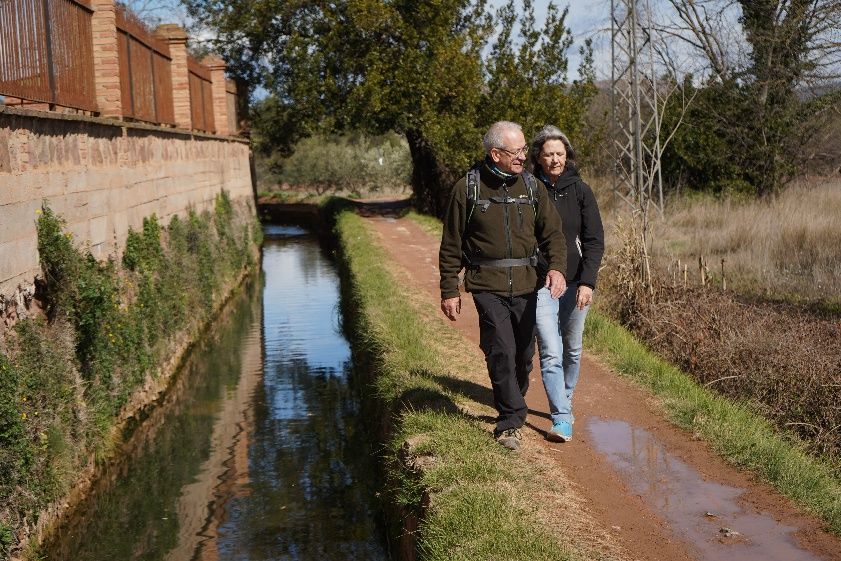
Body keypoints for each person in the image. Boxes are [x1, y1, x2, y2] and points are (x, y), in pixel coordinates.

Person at [439, 121, 568, 451]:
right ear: (495, 154)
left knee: (524, 355)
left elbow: (552, 234)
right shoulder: (467, 188)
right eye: (516, 151)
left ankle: (512, 399)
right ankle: (511, 420)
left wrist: (556, 269)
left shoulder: (532, 187)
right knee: (501, 349)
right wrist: (450, 289)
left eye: (525, 149)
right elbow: (451, 243)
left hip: (528, 284)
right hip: (486, 284)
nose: (523, 156)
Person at [530, 125, 605, 443]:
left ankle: (566, 399)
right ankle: (561, 417)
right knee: (550, 349)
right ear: (539, 157)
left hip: (575, 283)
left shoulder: (582, 191)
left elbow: (594, 240)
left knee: (572, 349)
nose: (555, 159)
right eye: (548, 154)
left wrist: (588, 282)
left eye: (560, 154)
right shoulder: (530, 188)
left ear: (568, 156)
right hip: (541, 282)